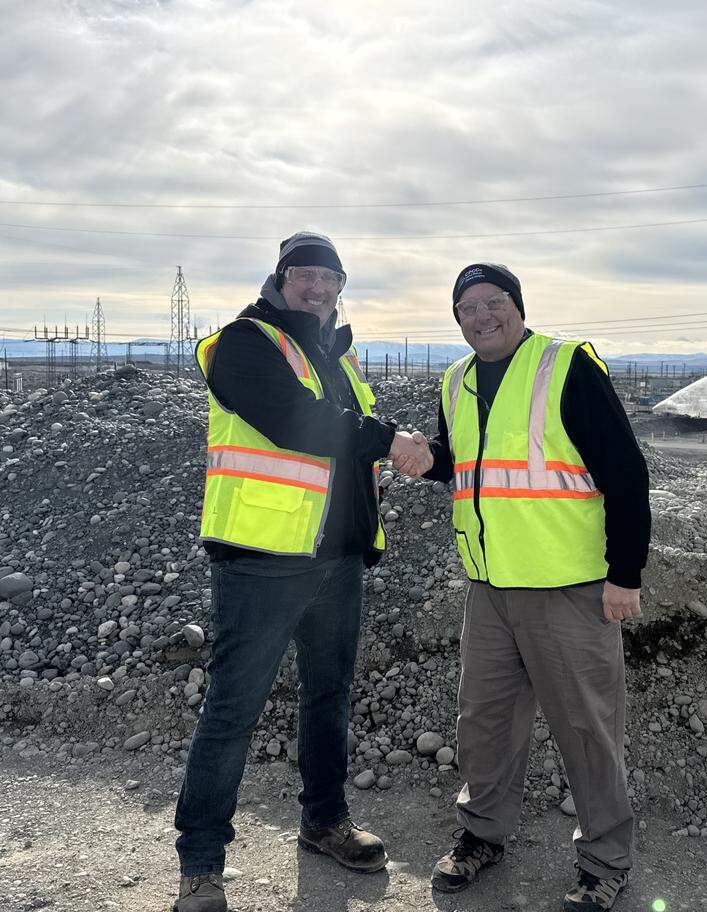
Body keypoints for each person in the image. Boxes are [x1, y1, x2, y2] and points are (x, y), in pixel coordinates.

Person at [173, 232, 428, 912]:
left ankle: (324, 820)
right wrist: (390, 440)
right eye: (305, 275)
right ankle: (201, 866)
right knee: (232, 712)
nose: (318, 288)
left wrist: (429, 453)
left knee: (328, 698)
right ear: (281, 279)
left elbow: (361, 428)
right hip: (262, 564)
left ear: (341, 287)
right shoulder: (244, 344)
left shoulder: (335, 358)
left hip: (338, 561)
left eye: (330, 278)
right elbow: (298, 423)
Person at [393, 263, 650, 912]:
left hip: (570, 590)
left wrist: (625, 574)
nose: (481, 316)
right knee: (484, 725)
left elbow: (626, 472)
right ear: (456, 320)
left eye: (493, 302)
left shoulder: (564, 367)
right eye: (467, 308)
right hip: (489, 590)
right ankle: (481, 837)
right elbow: (471, 467)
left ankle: (604, 862)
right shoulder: (455, 380)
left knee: (587, 732)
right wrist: (428, 460)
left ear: (517, 306)